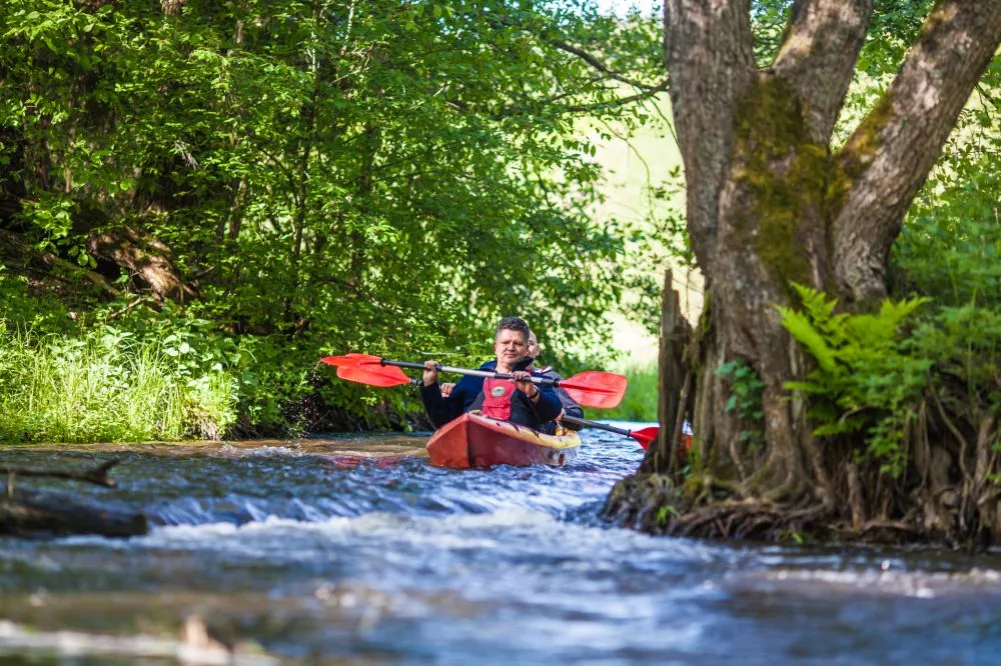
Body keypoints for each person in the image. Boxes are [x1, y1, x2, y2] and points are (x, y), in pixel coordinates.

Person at [420, 317, 563, 431]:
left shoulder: (538, 380)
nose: (511, 348)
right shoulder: (472, 378)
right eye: (505, 342)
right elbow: (442, 421)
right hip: (473, 435)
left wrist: (532, 392)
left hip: (517, 451)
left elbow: (552, 413)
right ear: (495, 347)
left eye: (518, 344)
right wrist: (430, 385)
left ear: (527, 350)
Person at [439, 328, 584, 433]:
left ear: (535, 349)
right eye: (508, 342)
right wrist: (453, 393)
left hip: (535, 429)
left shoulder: (549, 379)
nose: (513, 348)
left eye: (527, 344)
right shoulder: (487, 372)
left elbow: (577, 419)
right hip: (487, 424)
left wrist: (559, 413)